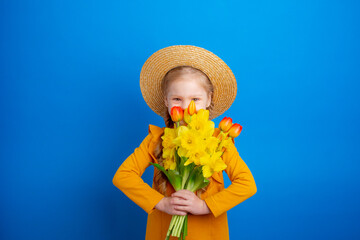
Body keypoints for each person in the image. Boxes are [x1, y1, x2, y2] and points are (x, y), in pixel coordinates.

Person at [113, 45, 257, 240]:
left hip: (207, 232)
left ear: (209, 99)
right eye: (177, 99)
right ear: (166, 101)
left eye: (195, 99)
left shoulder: (219, 141)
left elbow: (247, 184)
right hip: (164, 231)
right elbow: (123, 176)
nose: (187, 107)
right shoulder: (156, 139)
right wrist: (161, 203)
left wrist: (205, 206)